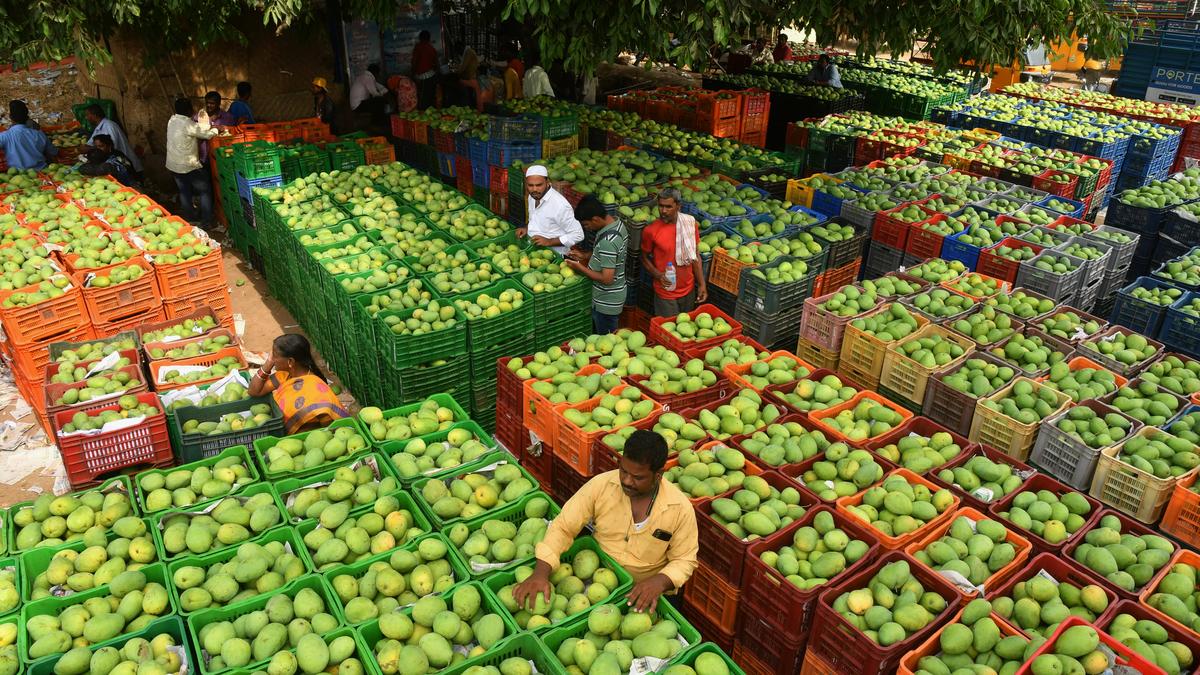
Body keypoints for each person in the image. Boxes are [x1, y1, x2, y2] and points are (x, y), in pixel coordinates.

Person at [514, 430, 698, 613]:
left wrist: (659, 582)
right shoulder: (601, 486)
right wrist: (540, 573)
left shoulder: (679, 508)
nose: (626, 480)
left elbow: (684, 559)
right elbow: (564, 526)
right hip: (597, 580)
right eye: (623, 471)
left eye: (638, 477)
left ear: (658, 475)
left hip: (646, 594)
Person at [249, 334, 350, 435]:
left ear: (290, 362)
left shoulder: (315, 389)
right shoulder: (284, 375)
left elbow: (331, 429)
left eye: (274, 355)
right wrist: (268, 363)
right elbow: (254, 391)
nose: (272, 358)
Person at [566, 195, 628, 335]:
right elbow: (609, 256)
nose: (587, 228)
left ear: (595, 219)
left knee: (605, 340)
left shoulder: (608, 241)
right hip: (614, 294)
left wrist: (580, 267)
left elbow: (607, 278)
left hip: (606, 301)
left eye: (586, 225)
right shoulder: (617, 224)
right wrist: (586, 256)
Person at [642, 188, 706, 317]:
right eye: (661, 206)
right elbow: (643, 257)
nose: (663, 211)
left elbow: (695, 256)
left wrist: (701, 284)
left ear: (678, 206)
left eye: (668, 207)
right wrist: (658, 275)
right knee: (669, 331)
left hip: (688, 290)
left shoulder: (690, 224)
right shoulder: (651, 230)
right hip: (666, 293)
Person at [166, 97, 218, 229]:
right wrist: (217, 129)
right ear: (189, 110)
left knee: (184, 191)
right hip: (187, 166)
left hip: (173, 164)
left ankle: (190, 218)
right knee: (205, 190)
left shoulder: (172, 120)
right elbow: (206, 135)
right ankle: (206, 221)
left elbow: (196, 130)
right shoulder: (187, 124)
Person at [517, 165, 583, 256]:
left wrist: (549, 241)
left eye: (539, 185)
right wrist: (526, 228)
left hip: (553, 255)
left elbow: (578, 235)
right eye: (530, 185)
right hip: (533, 250)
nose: (534, 189)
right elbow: (535, 218)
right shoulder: (532, 196)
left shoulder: (560, 205)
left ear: (547, 182)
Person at [84, 104, 142, 173]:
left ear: (94, 115)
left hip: (128, 169)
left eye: (87, 115)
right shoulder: (98, 128)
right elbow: (89, 145)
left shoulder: (109, 125)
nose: (86, 118)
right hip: (118, 167)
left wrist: (92, 149)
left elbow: (112, 146)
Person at [0, 100, 57, 170]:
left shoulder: (5, 136)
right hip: (43, 174)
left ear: (10, 117)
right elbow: (54, 152)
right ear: (27, 117)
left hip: (18, 176)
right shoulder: (39, 134)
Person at [194, 91, 236, 167]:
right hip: (204, 157)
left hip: (222, 156)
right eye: (207, 103)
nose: (208, 105)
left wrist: (224, 128)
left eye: (212, 103)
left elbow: (233, 133)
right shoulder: (199, 117)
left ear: (219, 104)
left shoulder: (227, 117)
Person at [412, 30, 440, 109]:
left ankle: (423, 117)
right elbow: (436, 64)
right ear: (429, 38)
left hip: (422, 77)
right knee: (431, 97)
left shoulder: (418, 47)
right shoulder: (431, 48)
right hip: (431, 76)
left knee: (423, 99)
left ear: (420, 38)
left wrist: (413, 74)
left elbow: (414, 62)